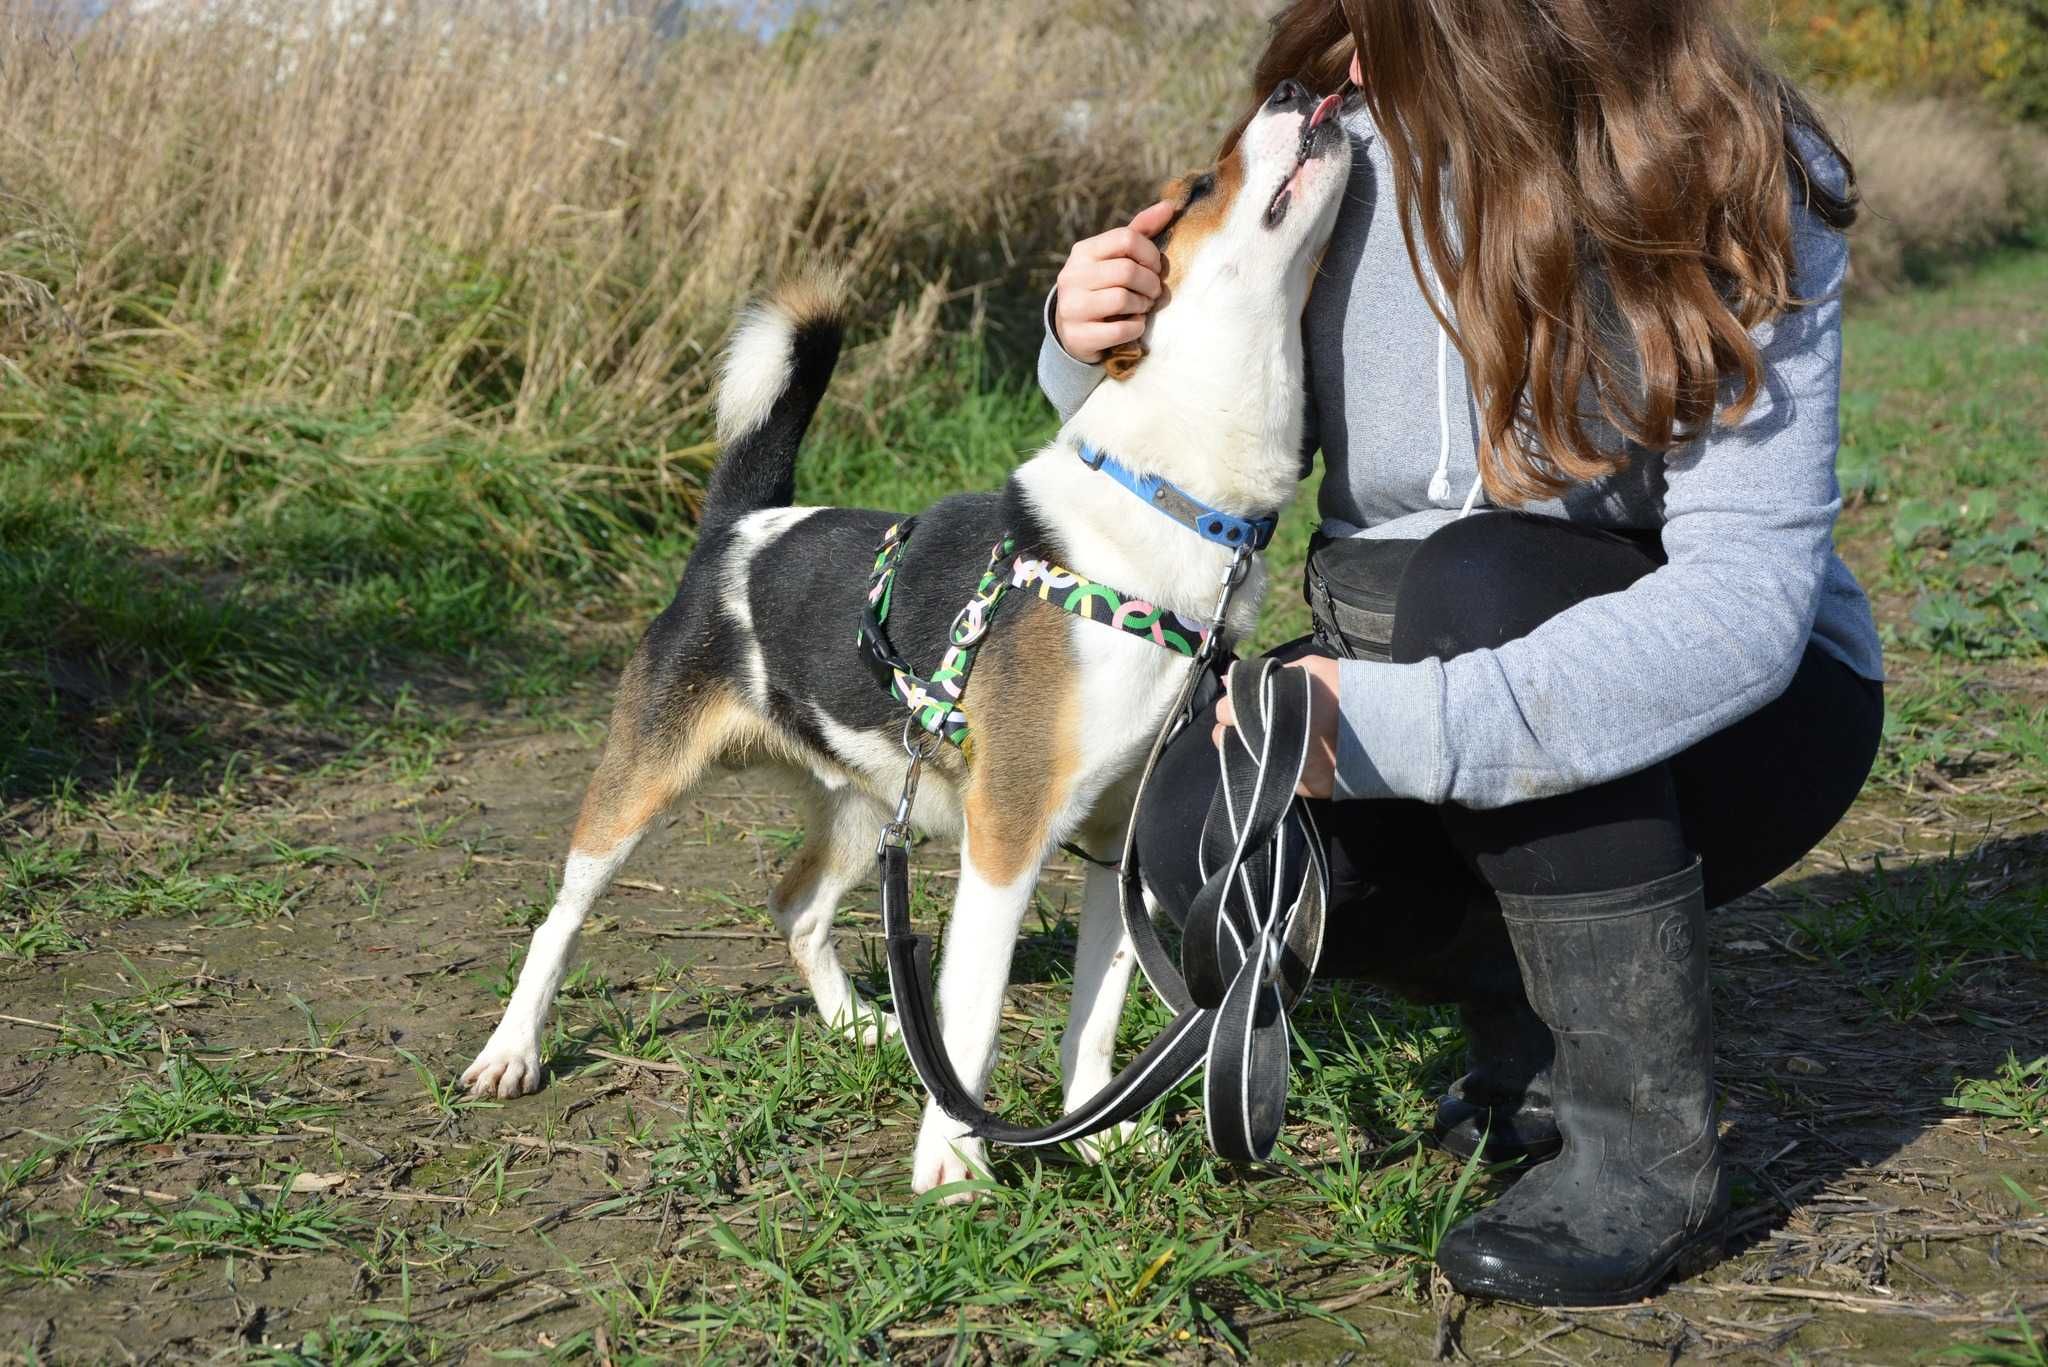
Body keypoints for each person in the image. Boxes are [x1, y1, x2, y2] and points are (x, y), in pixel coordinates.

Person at [1037, 0, 1885, 1307]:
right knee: (1193, 828)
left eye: (1386, 23)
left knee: (1478, 573)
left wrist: (1389, 731)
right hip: (1408, 645)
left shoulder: (1738, 165)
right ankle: (1526, 1006)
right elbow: (1222, 419)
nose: (1351, 57)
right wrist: (1087, 337)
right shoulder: (1340, 153)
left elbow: (1742, 610)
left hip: (1738, 724)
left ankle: (1639, 1151)